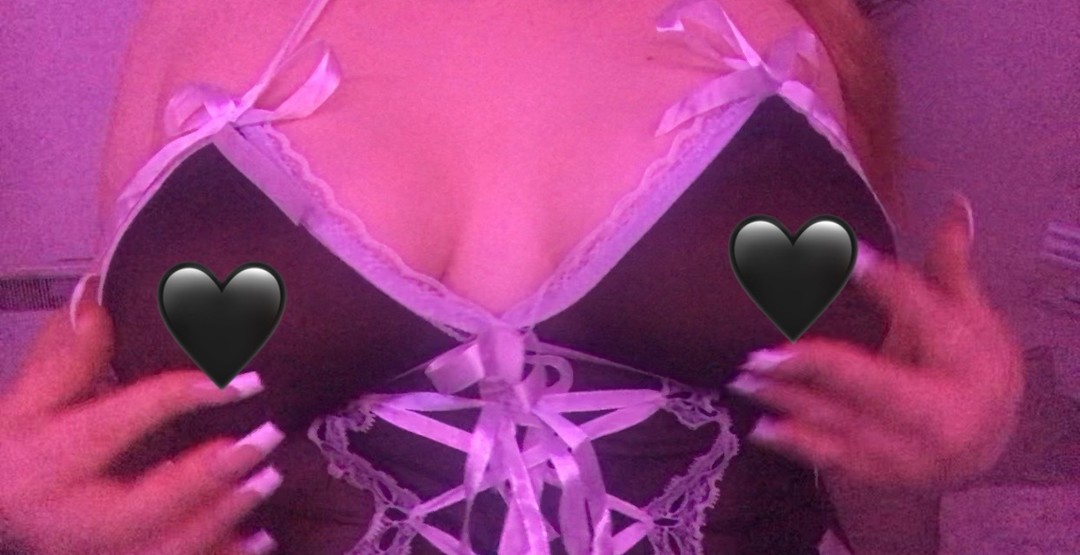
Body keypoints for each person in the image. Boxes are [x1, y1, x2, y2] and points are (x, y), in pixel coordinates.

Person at [0, 0, 1024, 553]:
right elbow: (147, 442)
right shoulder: (198, 26)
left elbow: (864, 473)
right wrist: (35, 510)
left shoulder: (782, 26)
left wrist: (953, 441)